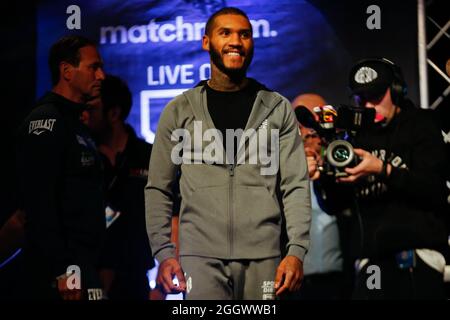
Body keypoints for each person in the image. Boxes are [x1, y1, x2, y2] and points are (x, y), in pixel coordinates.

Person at [145, 7, 311, 300]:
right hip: (199, 258)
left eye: (244, 34)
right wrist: (164, 252)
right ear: (206, 41)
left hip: (264, 257)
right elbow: (159, 187)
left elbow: (295, 185)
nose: (236, 41)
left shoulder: (277, 108)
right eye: (226, 33)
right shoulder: (179, 111)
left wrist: (296, 250)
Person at [326, 58, 449, 299]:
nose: (369, 106)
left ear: (396, 90)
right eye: (362, 99)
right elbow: (336, 205)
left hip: (417, 255)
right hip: (370, 260)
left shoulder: (422, 124)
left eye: (376, 96)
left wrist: (382, 169)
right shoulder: (354, 136)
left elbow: (434, 189)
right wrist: (325, 178)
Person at [15, 35, 106, 300]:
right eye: (94, 67)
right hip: (61, 271)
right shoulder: (47, 120)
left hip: (83, 262)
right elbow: (38, 203)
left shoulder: (76, 123)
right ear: (66, 70)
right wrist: (61, 269)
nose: (101, 75)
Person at [84, 75, 154, 300]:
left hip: (135, 279)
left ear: (113, 113)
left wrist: (162, 287)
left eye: (91, 109)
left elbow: (171, 217)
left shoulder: (148, 156)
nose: (84, 116)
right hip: (89, 278)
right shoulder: (80, 157)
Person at [290, 94, 345, 300]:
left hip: (340, 282)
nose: (309, 132)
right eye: (301, 124)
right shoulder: (275, 171)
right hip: (293, 282)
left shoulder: (344, 163)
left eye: (315, 123)